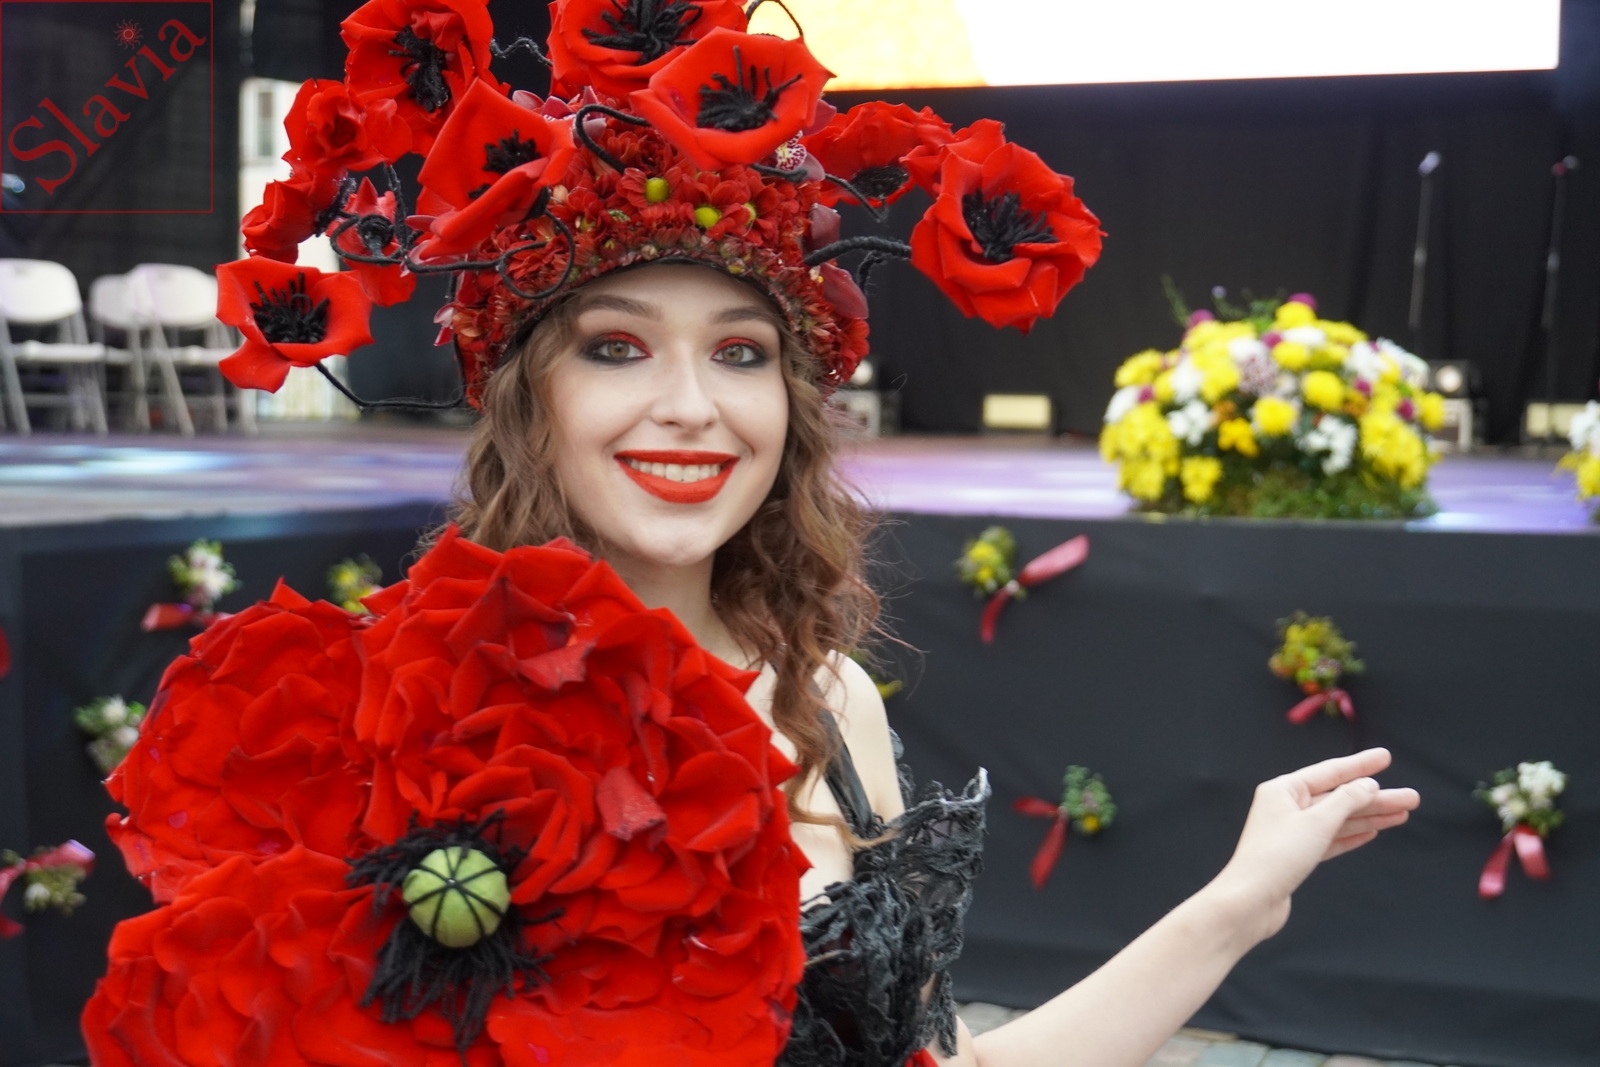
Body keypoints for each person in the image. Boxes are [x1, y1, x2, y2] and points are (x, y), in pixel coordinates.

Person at [85, 3, 1420, 1065]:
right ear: (526, 397)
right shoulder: (377, 717)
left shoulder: (830, 705)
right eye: (616, 348)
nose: (693, 407)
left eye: (740, 352)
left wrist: (1239, 904)